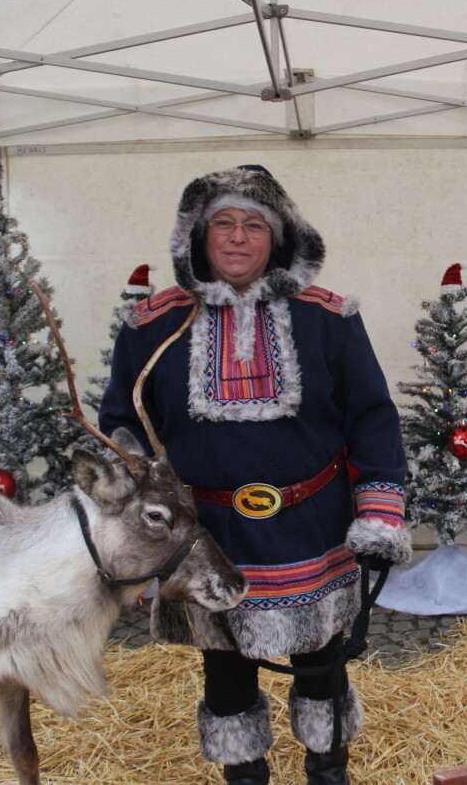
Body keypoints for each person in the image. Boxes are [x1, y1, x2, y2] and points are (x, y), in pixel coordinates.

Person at [99, 164, 410, 785]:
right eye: (223, 224)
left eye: (253, 226)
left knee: (322, 662)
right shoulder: (153, 326)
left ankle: (328, 771)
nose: (238, 238)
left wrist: (379, 514)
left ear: (279, 239)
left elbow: (373, 420)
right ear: (197, 236)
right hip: (209, 536)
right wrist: (136, 515)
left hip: (313, 528)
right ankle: (244, 776)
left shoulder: (329, 317)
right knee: (225, 666)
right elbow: (123, 429)